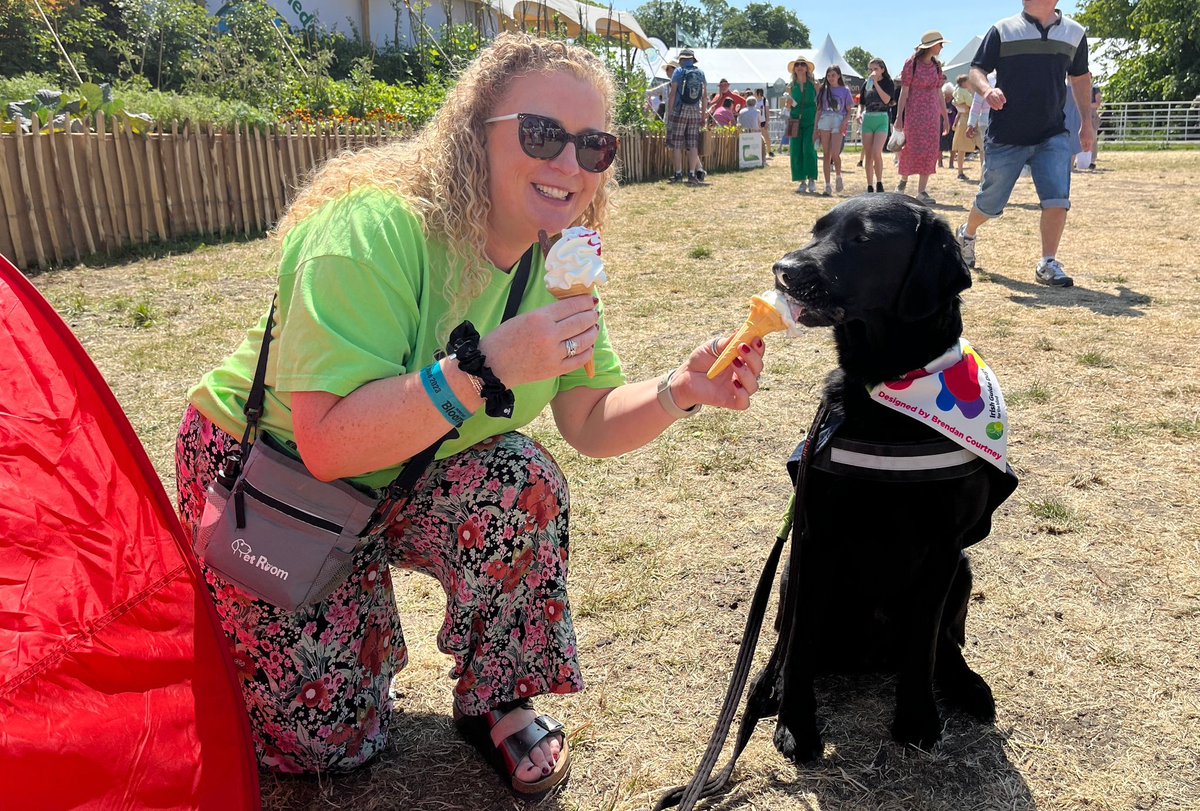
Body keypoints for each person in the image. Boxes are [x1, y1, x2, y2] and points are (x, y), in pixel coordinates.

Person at [174, 33, 767, 800]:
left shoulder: (562, 265)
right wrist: (486, 367)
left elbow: (587, 418)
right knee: (328, 748)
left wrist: (681, 389)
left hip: (403, 472)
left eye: (595, 145)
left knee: (522, 477)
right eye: (541, 133)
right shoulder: (372, 230)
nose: (569, 165)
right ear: (474, 131)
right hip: (275, 474)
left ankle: (496, 695)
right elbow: (326, 442)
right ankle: (302, 606)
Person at [955, 0, 1093, 287]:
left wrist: (1086, 123)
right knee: (991, 202)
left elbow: (1080, 79)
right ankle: (967, 233)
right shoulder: (1003, 30)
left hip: (1052, 132)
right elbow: (977, 70)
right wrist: (987, 89)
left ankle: (1048, 262)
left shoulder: (1074, 33)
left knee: (1057, 199)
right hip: (1007, 134)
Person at [896, 31, 951, 205]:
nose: (942, 47)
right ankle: (903, 181)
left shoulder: (936, 65)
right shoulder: (911, 64)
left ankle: (922, 191)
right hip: (914, 112)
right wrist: (899, 117)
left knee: (930, 149)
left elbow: (938, 92)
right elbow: (904, 92)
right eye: (940, 44)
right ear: (931, 46)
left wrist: (945, 116)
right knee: (912, 146)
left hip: (932, 114)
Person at [667, 48, 709, 186]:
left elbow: (673, 94)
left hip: (680, 110)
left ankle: (678, 174)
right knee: (693, 143)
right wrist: (703, 115)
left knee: (677, 143)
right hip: (695, 110)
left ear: (681, 60)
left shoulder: (678, 72)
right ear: (692, 59)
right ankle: (692, 174)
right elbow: (704, 96)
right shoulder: (701, 73)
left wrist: (670, 112)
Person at [814, 66, 854, 195]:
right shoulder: (823, 90)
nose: (831, 78)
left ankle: (838, 176)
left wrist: (844, 122)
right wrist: (816, 128)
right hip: (825, 120)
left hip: (838, 120)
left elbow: (849, 110)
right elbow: (819, 110)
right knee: (826, 154)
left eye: (833, 75)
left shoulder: (845, 90)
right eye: (829, 75)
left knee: (835, 153)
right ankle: (827, 185)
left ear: (838, 76)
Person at [859, 58, 895, 193]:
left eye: (875, 69)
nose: (872, 72)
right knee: (868, 154)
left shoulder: (888, 83)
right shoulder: (865, 84)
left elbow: (887, 100)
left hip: (881, 118)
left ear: (882, 70)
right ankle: (869, 185)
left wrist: (876, 83)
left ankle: (879, 182)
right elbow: (861, 103)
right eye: (870, 69)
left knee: (876, 152)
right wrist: (859, 113)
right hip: (868, 118)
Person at [785, 55, 819, 193]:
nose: (800, 67)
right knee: (796, 150)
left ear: (807, 68)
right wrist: (787, 105)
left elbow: (819, 103)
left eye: (802, 64)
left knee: (809, 149)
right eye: (797, 65)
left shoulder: (815, 84)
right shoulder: (790, 87)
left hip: (811, 120)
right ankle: (802, 181)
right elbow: (788, 107)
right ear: (794, 69)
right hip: (794, 120)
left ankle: (811, 179)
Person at [951, 75, 980, 179]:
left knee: (961, 148)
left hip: (963, 118)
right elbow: (971, 104)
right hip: (967, 119)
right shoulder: (964, 92)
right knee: (966, 146)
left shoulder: (957, 91)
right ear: (964, 83)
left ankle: (960, 171)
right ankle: (961, 172)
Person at [755, 87, 774, 157]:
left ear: (759, 94)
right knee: (757, 137)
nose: (754, 94)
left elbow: (767, 112)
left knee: (766, 137)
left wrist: (767, 122)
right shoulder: (754, 101)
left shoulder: (765, 101)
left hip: (763, 121)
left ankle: (769, 151)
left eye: (756, 93)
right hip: (756, 122)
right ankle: (760, 152)